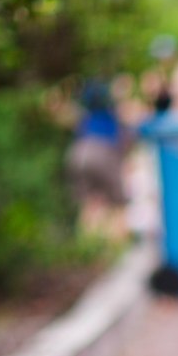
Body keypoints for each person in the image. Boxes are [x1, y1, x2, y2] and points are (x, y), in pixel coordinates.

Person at [64, 79, 127, 238]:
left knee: (88, 203)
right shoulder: (112, 115)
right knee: (116, 205)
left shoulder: (84, 115)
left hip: (78, 153)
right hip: (103, 152)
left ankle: (88, 247)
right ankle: (116, 245)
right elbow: (123, 140)